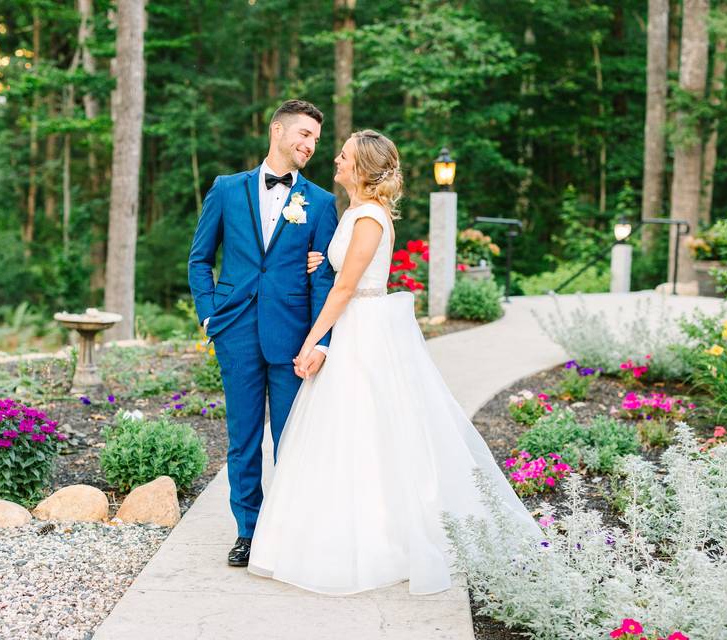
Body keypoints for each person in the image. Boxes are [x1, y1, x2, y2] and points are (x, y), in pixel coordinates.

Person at [246, 129, 542, 595]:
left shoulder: (367, 217)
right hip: (357, 324)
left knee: (363, 430)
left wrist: (312, 339)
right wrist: (324, 260)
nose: (336, 162)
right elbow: (347, 271)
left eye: (343, 157)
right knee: (352, 430)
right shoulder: (359, 213)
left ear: (362, 170)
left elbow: (346, 288)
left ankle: (378, 540)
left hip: (361, 328)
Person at [187, 99, 339, 567]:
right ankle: (248, 533)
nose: (310, 145)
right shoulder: (226, 190)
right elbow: (199, 259)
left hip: (294, 338)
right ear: (277, 131)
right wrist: (210, 315)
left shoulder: (322, 202)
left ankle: (292, 531)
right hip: (234, 331)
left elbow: (326, 278)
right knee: (243, 438)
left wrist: (322, 341)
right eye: (303, 135)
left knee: (293, 439)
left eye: (315, 138)